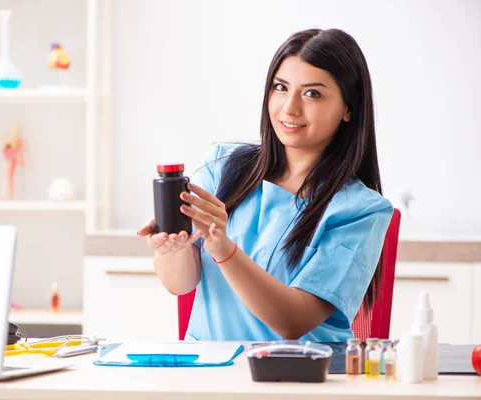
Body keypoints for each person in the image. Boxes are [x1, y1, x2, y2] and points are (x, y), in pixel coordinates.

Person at [137, 28, 394, 342]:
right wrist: (172, 248)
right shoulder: (224, 166)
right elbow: (180, 284)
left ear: (348, 109)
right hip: (212, 375)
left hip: (298, 377)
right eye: (281, 88)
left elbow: (293, 322)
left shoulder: (360, 209)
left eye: (312, 93)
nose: (289, 107)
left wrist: (223, 248)